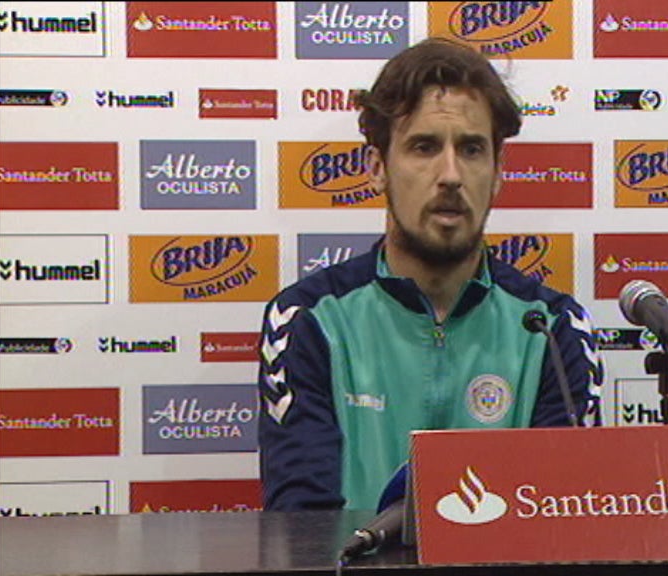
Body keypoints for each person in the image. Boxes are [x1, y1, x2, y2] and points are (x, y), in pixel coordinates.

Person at [257, 37, 603, 511]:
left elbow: (564, 516)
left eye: (472, 149)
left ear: (499, 171)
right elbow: (301, 528)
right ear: (377, 167)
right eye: (424, 147)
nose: (450, 175)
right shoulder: (308, 320)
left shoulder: (554, 326)